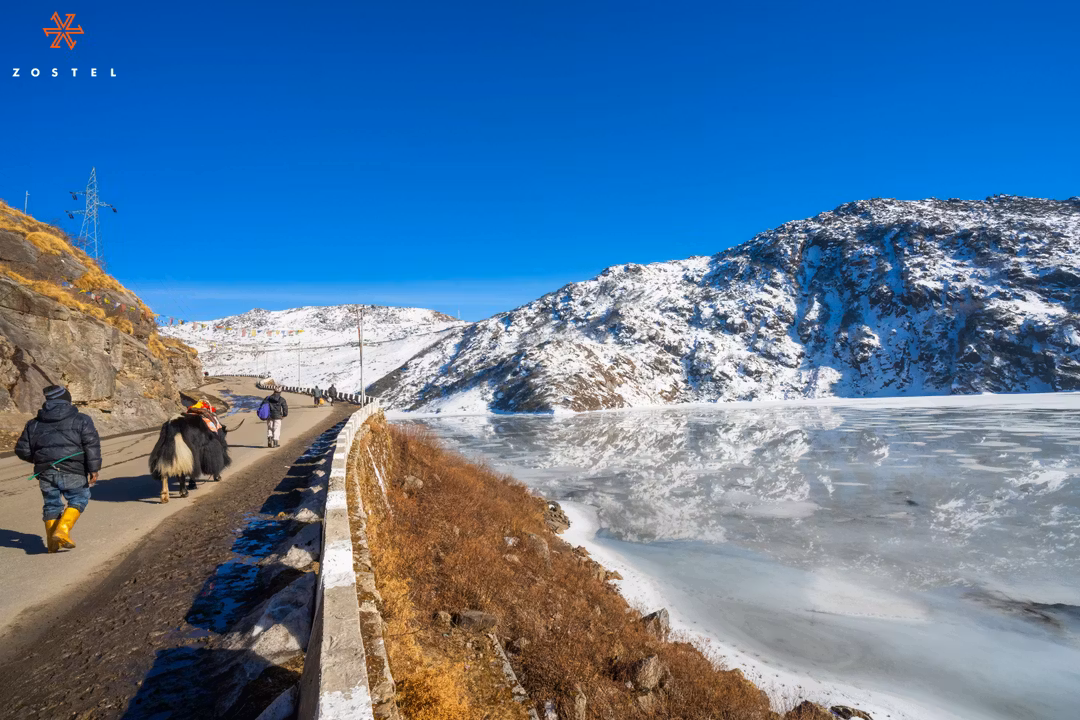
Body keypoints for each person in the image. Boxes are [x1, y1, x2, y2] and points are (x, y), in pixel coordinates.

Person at [15, 385, 102, 553]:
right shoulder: (82, 419)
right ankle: (62, 530)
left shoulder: (33, 424)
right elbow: (91, 445)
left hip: (46, 472)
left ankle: (52, 545)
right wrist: (94, 469)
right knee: (79, 498)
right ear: (67, 400)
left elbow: (22, 450)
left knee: (51, 505)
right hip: (74, 469)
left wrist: (40, 460)